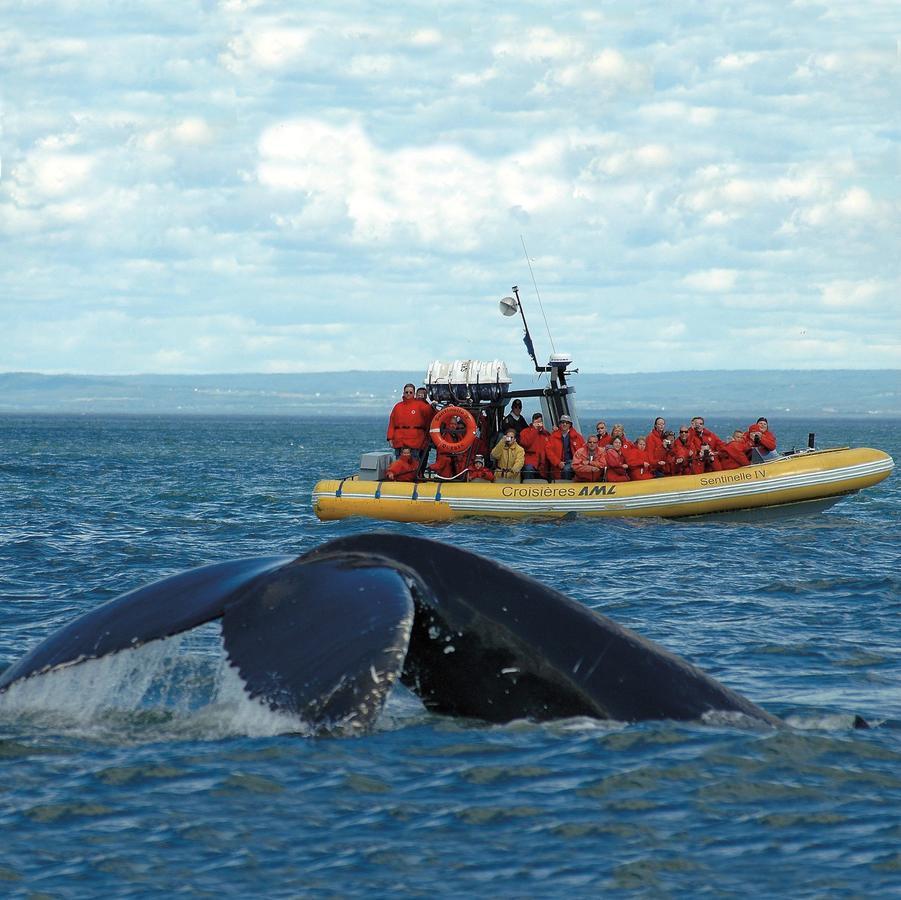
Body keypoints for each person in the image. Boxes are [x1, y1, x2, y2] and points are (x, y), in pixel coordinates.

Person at [386, 383, 432, 459]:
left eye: (410, 392)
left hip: (415, 441)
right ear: (403, 393)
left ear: (414, 394)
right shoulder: (397, 406)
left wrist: (433, 406)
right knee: (399, 465)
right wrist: (390, 438)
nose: (408, 394)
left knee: (413, 465)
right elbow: (392, 423)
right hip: (399, 441)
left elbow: (429, 412)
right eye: (406, 392)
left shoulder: (420, 405)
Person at [546, 414, 586, 480]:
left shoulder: (577, 437)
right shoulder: (553, 437)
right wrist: (558, 462)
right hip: (558, 465)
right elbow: (549, 452)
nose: (564, 424)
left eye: (567, 423)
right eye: (562, 422)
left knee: (567, 470)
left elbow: (583, 451)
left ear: (570, 424)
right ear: (559, 424)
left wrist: (578, 462)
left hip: (572, 463)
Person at [519, 412, 551, 479]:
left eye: (540, 421)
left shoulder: (546, 434)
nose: (538, 424)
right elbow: (525, 443)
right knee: (528, 469)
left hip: (543, 464)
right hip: (530, 461)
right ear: (533, 422)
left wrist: (556, 431)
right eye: (537, 422)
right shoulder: (525, 432)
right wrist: (534, 430)